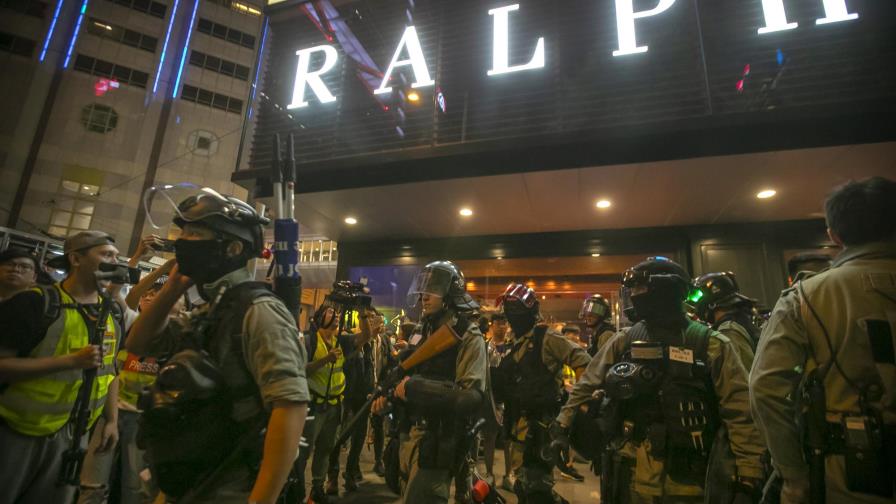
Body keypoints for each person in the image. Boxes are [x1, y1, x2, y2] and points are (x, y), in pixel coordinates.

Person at [126, 188, 309, 504]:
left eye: (195, 233)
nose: (182, 240)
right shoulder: (209, 308)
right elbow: (139, 342)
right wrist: (172, 286)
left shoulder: (259, 311)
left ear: (232, 248)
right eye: (182, 231)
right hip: (185, 478)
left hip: (229, 486)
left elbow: (290, 406)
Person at [553, 257, 765, 503]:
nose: (634, 296)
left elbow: (740, 413)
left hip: (688, 480)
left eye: (639, 289)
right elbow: (587, 384)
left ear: (666, 290)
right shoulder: (626, 339)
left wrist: (748, 476)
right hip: (628, 471)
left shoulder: (710, 344)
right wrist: (562, 427)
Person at [751, 176, 896, 504]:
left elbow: (765, 388)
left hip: (848, 475)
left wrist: (793, 476)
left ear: (834, 234)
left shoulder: (805, 296)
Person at [0, 230, 122, 504]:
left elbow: (110, 370)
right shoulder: (34, 303)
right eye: (105, 255)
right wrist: (69, 361)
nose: (114, 261)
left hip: (74, 435)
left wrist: (111, 420)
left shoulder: (112, 312)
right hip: (18, 430)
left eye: (116, 256)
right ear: (76, 259)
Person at [371, 260, 488, 503]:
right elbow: (406, 374)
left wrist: (415, 389)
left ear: (451, 292)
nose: (425, 296)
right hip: (407, 433)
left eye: (433, 288)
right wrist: (389, 398)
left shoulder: (467, 334)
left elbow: (471, 397)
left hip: (438, 437)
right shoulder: (421, 330)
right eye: (423, 289)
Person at [494, 283, 590, 503]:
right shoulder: (514, 342)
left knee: (536, 489)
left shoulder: (546, 337)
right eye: (508, 308)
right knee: (523, 486)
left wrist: (574, 404)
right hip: (517, 426)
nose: (511, 314)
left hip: (541, 428)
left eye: (515, 308)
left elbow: (584, 363)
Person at [293, 301, 376, 503]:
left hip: (335, 406)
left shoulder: (342, 341)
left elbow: (366, 336)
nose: (336, 315)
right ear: (319, 318)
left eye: (337, 312)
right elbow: (300, 370)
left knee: (325, 449)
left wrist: (362, 314)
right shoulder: (308, 340)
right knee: (303, 451)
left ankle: (318, 488)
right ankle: (295, 489)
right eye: (331, 312)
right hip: (313, 406)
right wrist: (325, 359)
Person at [326, 310, 385, 495]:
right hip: (347, 397)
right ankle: (332, 477)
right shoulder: (348, 339)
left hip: (365, 398)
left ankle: (350, 473)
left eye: (376, 319)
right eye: (370, 319)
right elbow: (365, 334)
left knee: (359, 439)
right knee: (340, 437)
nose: (376, 323)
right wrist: (364, 316)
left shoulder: (376, 344)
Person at [689, 272, 761, 370]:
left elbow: (741, 377)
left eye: (697, 296)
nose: (695, 301)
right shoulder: (742, 321)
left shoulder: (729, 331)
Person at [482, 312, 513, 490]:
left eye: (504, 323)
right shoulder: (485, 347)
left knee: (509, 438)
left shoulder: (512, 346)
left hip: (509, 398)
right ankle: (489, 473)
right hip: (491, 398)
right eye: (498, 323)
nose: (501, 326)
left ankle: (509, 474)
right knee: (489, 438)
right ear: (491, 325)